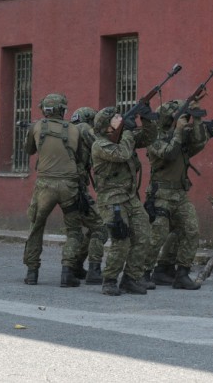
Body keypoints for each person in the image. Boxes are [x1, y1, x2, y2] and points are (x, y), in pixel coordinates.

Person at [22, 93, 91, 287]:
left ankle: (32, 272)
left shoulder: (37, 126)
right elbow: (78, 157)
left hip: (45, 185)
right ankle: (67, 272)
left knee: (36, 227)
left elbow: (28, 151)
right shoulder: (74, 129)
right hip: (69, 185)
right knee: (74, 230)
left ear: (44, 109)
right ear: (63, 110)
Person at [91, 105, 157, 296]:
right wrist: (128, 130)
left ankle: (131, 278)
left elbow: (148, 138)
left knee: (143, 235)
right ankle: (110, 280)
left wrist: (146, 119)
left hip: (129, 197)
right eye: (116, 117)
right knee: (121, 240)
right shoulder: (100, 144)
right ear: (106, 126)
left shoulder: (124, 138)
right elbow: (122, 154)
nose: (120, 118)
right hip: (112, 199)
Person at [143, 100, 209, 290]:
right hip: (161, 194)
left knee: (191, 229)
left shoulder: (181, 138)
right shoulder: (153, 138)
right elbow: (169, 153)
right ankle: (143, 273)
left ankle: (181, 273)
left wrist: (196, 118)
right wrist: (179, 130)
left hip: (179, 194)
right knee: (158, 235)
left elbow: (199, 142)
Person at [70, 106, 108, 285]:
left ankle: (75, 265)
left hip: (68, 187)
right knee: (100, 227)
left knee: (88, 228)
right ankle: (94, 270)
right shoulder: (84, 129)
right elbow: (101, 145)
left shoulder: (69, 130)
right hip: (78, 189)